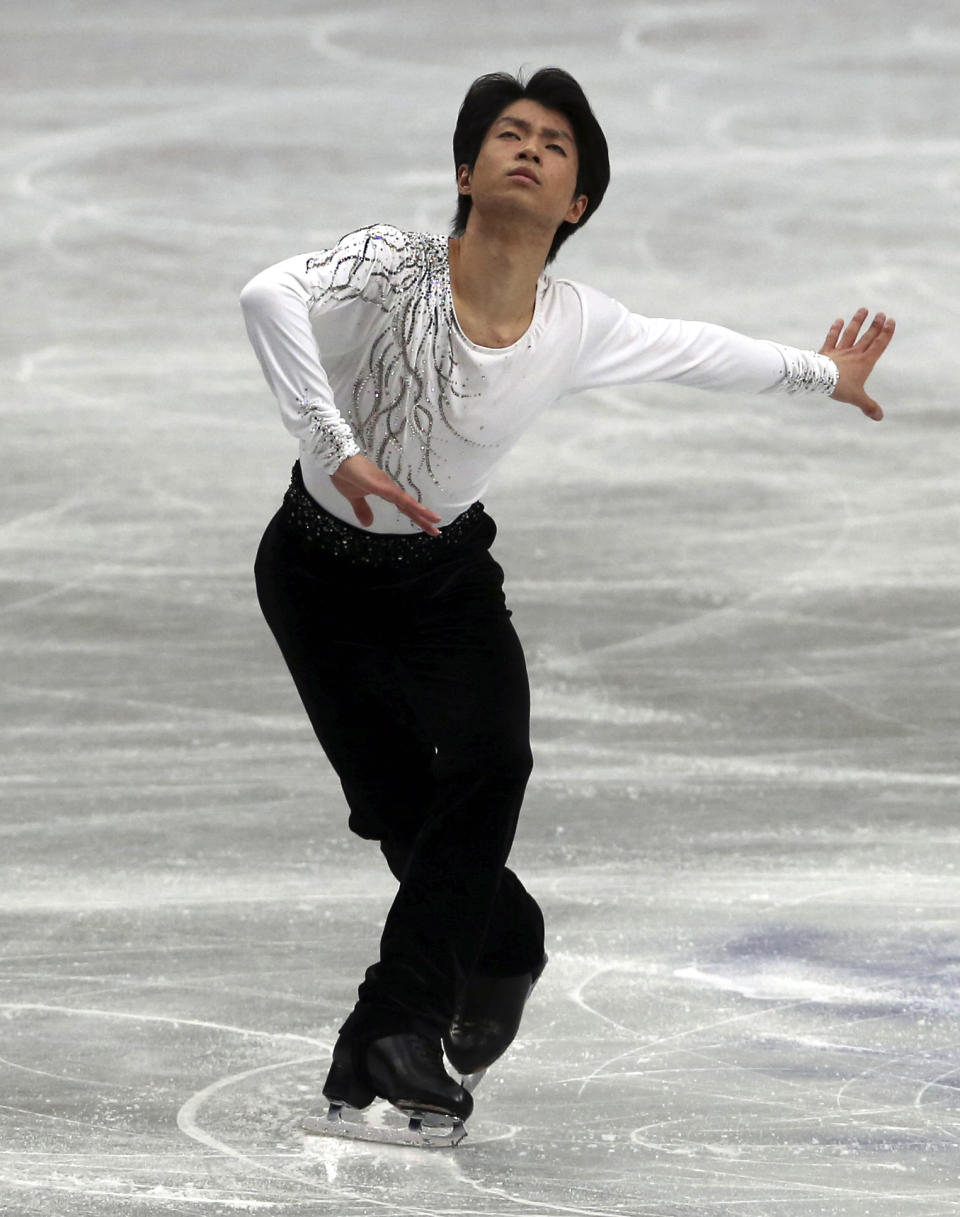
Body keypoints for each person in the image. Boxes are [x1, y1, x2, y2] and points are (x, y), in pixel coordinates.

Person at [240, 67, 894, 1128]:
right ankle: (501, 952)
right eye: (508, 132)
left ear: (577, 201)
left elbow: (698, 350)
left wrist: (823, 372)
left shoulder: (576, 322)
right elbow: (267, 294)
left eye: (555, 144)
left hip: (446, 579)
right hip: (316, 578)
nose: (530, 147)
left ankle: (394, 1032)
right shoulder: (389, 266)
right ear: (466, 169)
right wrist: (337, 449)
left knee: (494, 763)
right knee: (404, 810)